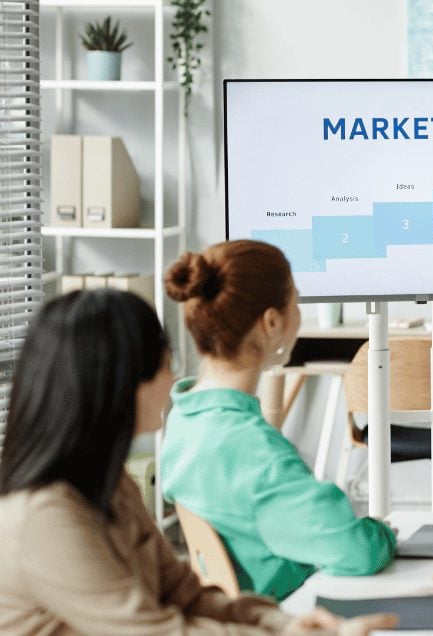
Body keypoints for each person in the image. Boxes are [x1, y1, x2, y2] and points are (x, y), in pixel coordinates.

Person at [0, 290, 395, 634]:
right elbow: (154, 632)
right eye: (165, 365)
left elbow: (182, 594)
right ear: (121, 383)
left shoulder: (111, 486)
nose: (174, 381)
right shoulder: (44, 517)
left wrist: (282, 623)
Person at [160, 240, 396, 601]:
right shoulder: (253, 449)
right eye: (296, 301)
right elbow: (357, 552)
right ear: (272, 321)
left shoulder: (185, 417)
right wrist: (383, 533)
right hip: (284, 611)